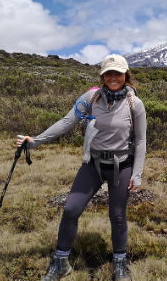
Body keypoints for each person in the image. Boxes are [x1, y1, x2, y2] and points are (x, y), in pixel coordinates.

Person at [16, 54, 147, 281]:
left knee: (117, 216)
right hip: (93, 165)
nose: (113, 78)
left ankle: (119, 264)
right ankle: (61, 262)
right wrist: (35, 141)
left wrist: (137, 174)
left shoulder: (134, 103)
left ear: (126, 75)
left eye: (118, 73)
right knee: (70, 210)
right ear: (102, 75)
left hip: (121, 165)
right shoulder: (90, 98)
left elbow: (141, 141)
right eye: (109, 73)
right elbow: (67, 122)